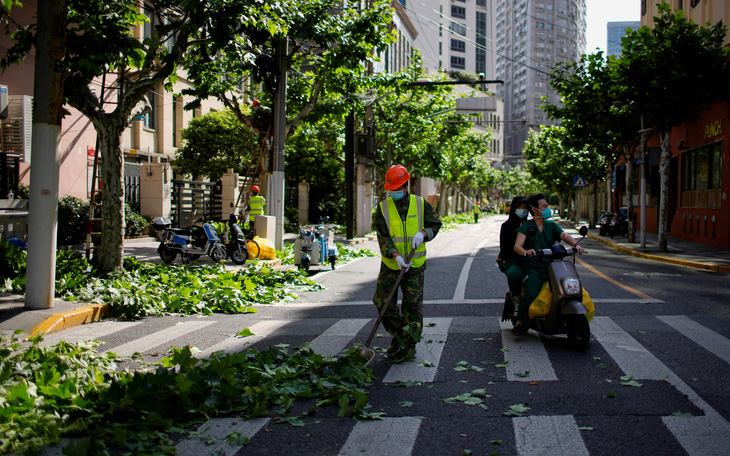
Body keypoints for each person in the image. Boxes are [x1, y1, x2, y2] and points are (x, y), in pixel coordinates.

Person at [373, 164, 442, 362]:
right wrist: (395, 255)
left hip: (415, 265)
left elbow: (435, 224)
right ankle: (400, 336)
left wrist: (423, 233)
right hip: (391, 264)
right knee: (382, 302)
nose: (394, 193)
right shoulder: (383, 208)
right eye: (391, 190)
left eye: (397, 189)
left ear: (406, 186)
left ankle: (408, 345)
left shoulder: (420, 204)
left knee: (412, 307)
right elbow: (382, 236)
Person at [512, 193, 585, 335]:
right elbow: (517, 246)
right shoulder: (526, 226)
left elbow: (564, 236)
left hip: (553, 267)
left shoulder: (551, 225)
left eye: (547, 206)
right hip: (534, 268)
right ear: (534, 209)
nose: (547, 209)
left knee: (568, 288)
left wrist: (577, 245)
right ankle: (520, 320)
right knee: (532, 291)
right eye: (544, 206)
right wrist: (526, 252)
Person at [498, 196, 529, 307]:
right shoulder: (506, 226)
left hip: (531, 260)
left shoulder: (531, 225)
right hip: (512, 260)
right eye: (519, 207)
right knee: (515, 274)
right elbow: (505, 249)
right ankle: (516, 298)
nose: (522, 210)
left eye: (525, 207)